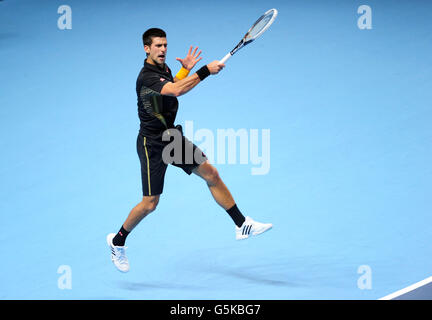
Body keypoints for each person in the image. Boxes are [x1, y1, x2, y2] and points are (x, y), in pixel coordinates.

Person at [107, 28, 272, 273]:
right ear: (146, 48)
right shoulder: (146, 77)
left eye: (165, 45)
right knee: (150, 204)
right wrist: (205, 71)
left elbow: (172, 86)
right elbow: (177, 90)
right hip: (152, 144)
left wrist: (185, 70)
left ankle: (241, 224)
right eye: (158, 46)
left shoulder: (162, 69)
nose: (163, 49)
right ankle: (117, 240)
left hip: (171, 138)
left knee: (211, 174)